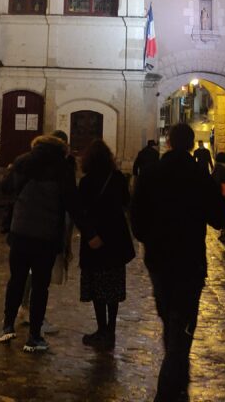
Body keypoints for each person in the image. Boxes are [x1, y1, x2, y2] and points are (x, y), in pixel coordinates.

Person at [131, 122, 225, 402]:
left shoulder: (151, 173)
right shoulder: (199, 175)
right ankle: (170, 386)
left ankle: (177, 380)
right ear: (191, 144)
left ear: (169, 143)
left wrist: (150, 238)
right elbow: (218, 218)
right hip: (189, 258)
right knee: (182, 321)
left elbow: (136, 219)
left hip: (159, 259)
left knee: (170, 317)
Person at [0, 133, 91, 353]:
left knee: (16, 279)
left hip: (20, 231)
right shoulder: (62, 168)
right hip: (46, 235)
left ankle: (7, 325)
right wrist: (89, 233)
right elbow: (72, 204)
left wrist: (11, 172)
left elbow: (5, 188)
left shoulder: (23, 161)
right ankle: (34, 336)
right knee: (40, 286)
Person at [78, 139, 135, 351]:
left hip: (95, 239)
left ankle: (102, 329)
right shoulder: (118, 178)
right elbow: (126, 202)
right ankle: (110, 330)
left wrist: (90, 234)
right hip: (115, 238)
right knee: (113, 287)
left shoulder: (86, 182)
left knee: (97, 287)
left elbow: (81, 211)